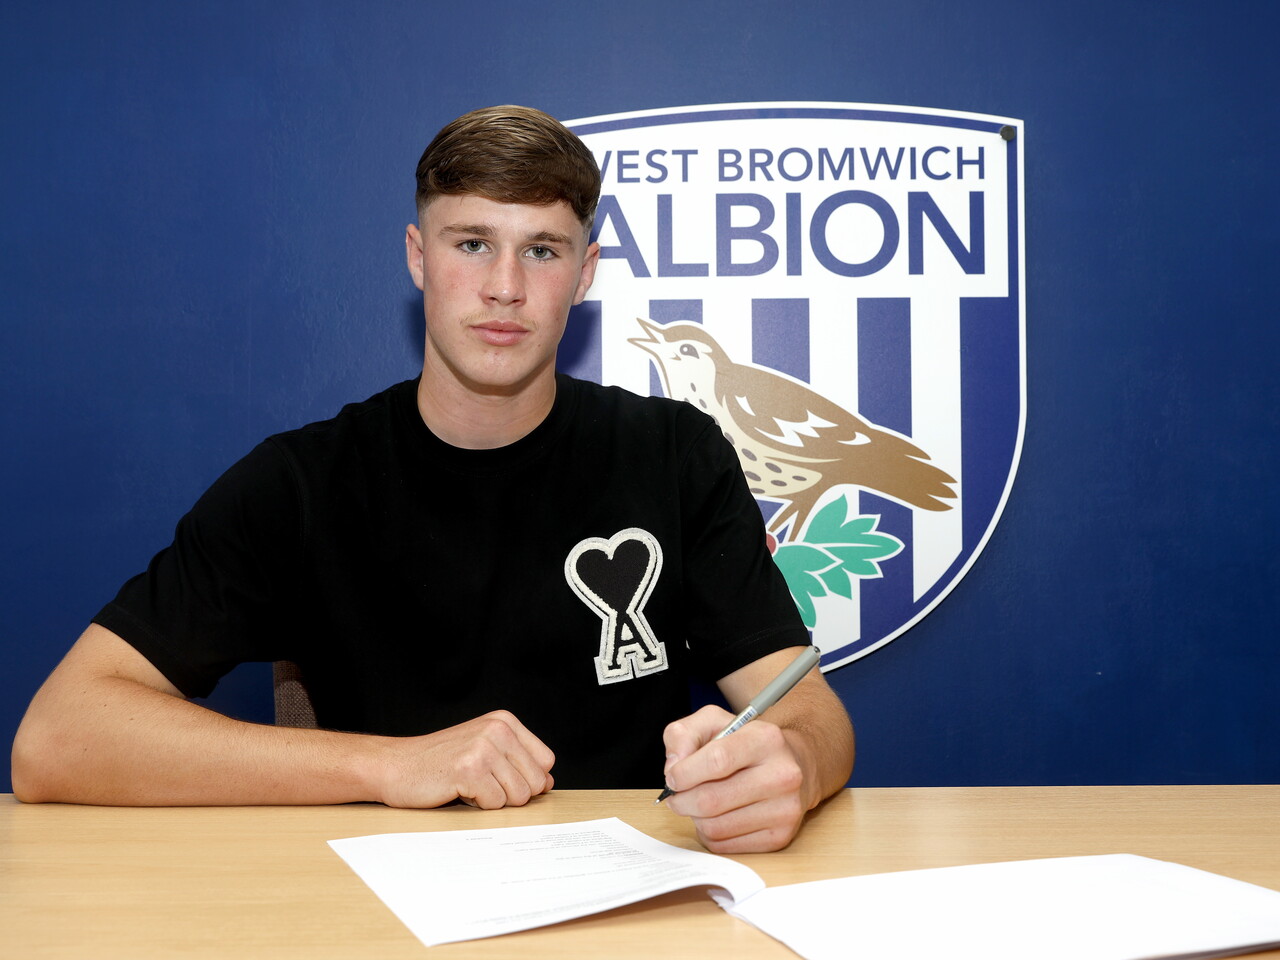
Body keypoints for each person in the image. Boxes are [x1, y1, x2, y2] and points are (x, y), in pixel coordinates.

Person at [11, 105, 853, 853]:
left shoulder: (673, 453)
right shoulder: (304, 482)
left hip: (630, 894)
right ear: (419, 256)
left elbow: (810, 711)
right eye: (473, 243)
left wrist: (794, 767)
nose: (505, 288)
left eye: (543, 250)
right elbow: (54, 741)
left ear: (585, 274)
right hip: (377, 905)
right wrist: (390, 764)